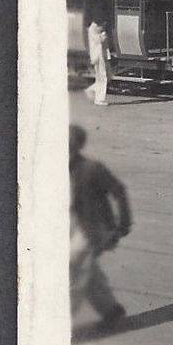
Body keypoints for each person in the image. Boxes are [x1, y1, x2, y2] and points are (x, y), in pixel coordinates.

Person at [70, 125, 131, 329]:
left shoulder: (92, 169)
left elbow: (119, 191)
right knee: (86, 269)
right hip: (74, 228)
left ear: (76, 147)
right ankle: (110, 310)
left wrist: (123, 224)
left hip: (94, 229)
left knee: (74, 270)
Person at [83, 0, 113, 107]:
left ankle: (91, 90)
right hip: (98, 55)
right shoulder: (93, 29)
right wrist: (103, 34)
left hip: (102, 55)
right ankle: (99, 99)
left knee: (108, 76)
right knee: (103, 77)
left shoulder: (96, 28)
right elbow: (100, 40)